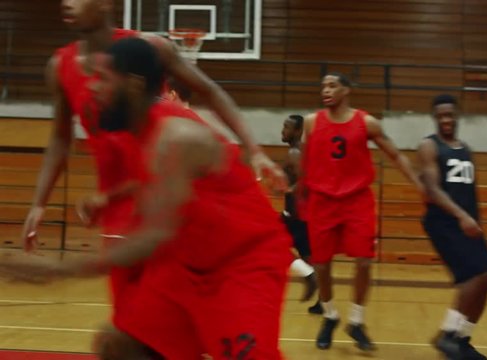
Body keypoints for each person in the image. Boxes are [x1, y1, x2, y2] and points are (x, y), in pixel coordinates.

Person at [1, 37, 291, 360]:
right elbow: (161, 178)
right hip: (188, 261)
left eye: (103, 78)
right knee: (119, 346)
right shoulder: (138, 130)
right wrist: (109, 197)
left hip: (241, 262)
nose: (92, 88)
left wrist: (59, 269)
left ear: (135, 85)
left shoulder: (176, 135)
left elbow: (155, 234)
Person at [22, 0, 285, 251]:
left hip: (169, 190)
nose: (66, 3)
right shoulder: (60, 67)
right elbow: (59, 140)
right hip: (117, 199)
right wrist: (38, 204)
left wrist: (255, 150)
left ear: (105, 3)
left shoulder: (148, 48)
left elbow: (209, 91)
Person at [299, 73, 425, 351]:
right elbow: (305, 162)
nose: (326, 90)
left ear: (346, 90)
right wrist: (298, 196)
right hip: (322, 200)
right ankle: (330, 315)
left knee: (365, 261)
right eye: (323, 86)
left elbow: (395, 154)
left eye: (332, 85)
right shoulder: (311, 122)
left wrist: (418, 182)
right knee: (320, 264)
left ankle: (356, 321)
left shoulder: (366, 123)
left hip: (356, 200)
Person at [416, 94, 487, 360]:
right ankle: (448, 335)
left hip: (467, 221)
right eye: (441, 116)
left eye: (450, 114)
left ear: (457, 115)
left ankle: (462, 339)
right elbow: (432, 189)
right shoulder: (430, 146)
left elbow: (469, 191)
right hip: (444, 221)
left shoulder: (465, 149)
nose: (446, 119)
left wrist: (473, 219)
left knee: (486, 277)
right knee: (473, 276)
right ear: (435, 118)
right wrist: (462, 216)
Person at [281, 114, 320, 305]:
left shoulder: (295, 153)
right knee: (307, 255)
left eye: (287, 127)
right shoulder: (299, 151)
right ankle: (322, 300)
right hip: (302, 216)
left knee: (271, 242)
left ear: (298, 131)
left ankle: (309, 276)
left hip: (294, 214)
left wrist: (288, 189)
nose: (283, 130)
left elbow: (304, 181)